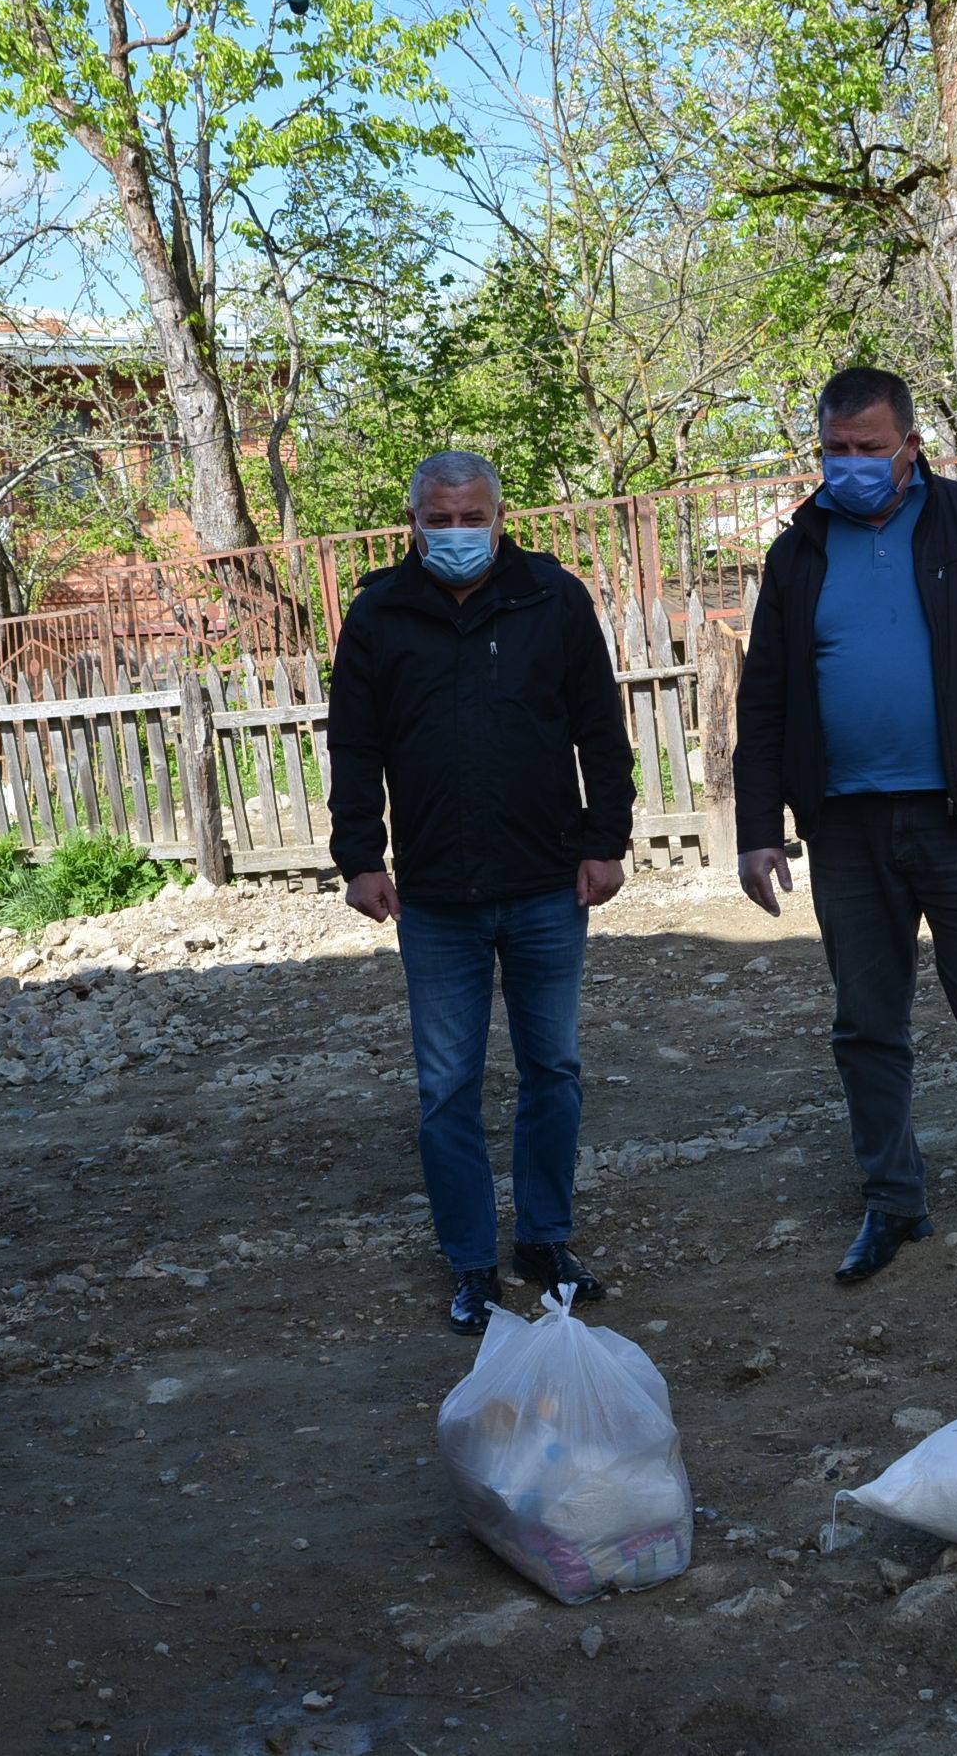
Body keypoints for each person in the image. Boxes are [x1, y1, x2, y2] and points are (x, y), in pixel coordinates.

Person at [733, 367, 957, 1306]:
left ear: (912, 445)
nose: (848, 467)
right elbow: (764, 694)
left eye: (867, 449)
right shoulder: (800, 549)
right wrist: (757, 827)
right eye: (833, 451)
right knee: (866, 1027)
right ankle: (893, 1202)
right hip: (845, 825)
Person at [327, 450, 637, 1335]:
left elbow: (599, 732)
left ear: (500, 518)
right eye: (440, 518)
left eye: (472, 518)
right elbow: (355, 746)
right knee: (446, 1087)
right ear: (412, 522)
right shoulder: (381, 613)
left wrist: (604, 841)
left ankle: (543, 1239)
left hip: (546, 882)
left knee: (554, 1070)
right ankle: (470, 1262)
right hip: (435, 896)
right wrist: (360, 856)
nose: (456, 533)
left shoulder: (551, 599)